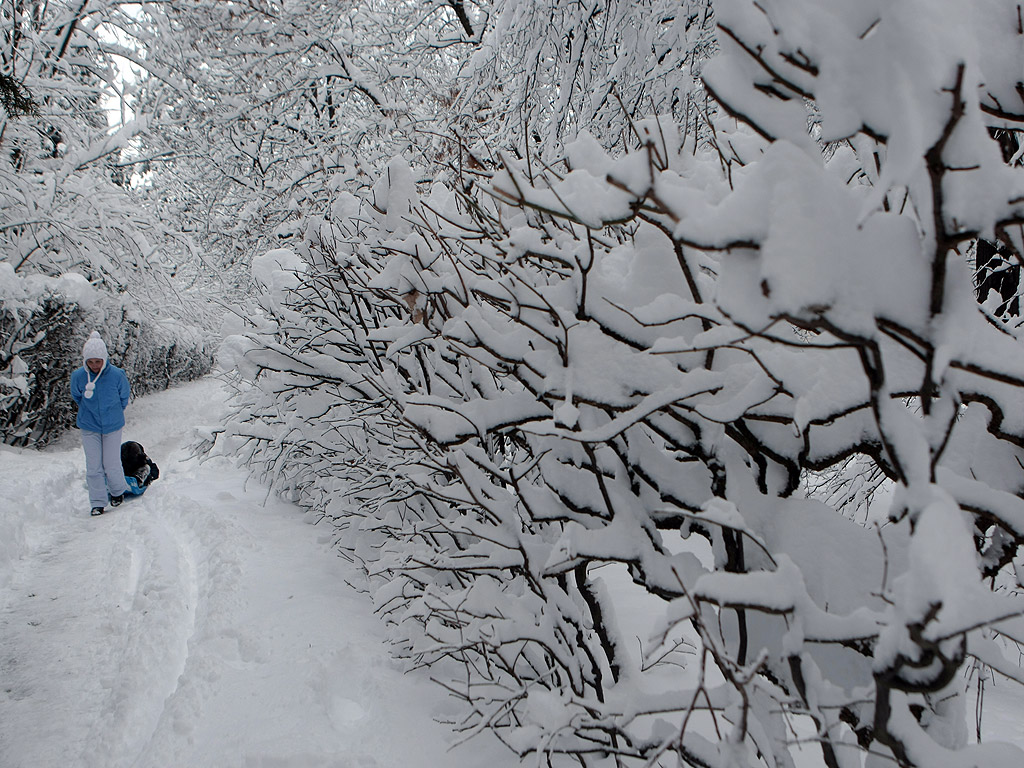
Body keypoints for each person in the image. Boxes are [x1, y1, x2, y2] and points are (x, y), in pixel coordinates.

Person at [70, 331, 131, 516]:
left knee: (111, 463)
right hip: (89, 426)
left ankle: (117, 491)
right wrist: (90, 412)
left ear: (104, 359)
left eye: (98, 361)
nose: (94, 365)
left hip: (113, 425)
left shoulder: (117, 375)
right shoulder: (78, 376)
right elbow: (77, 396)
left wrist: (112, 412)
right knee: (93, 465)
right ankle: (97, 502)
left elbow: (124, 397)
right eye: (91, 362)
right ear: (85, 361)